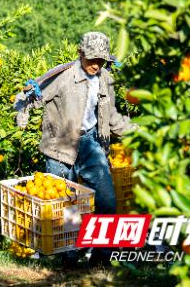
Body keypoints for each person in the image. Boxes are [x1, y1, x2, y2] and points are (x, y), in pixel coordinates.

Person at [14, 31, 136, 266]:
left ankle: (101, 258)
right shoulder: (63, 77)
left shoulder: (106, 79)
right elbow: (32, 95)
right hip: (60, 145)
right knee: (65, 208)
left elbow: (111, 119)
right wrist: (23, 110)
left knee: (107, 201)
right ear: (80, 54)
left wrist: (140, 132)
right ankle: (67, 260)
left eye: (100, 61)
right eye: (91, 59)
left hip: (90, 143)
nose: (95, 65)